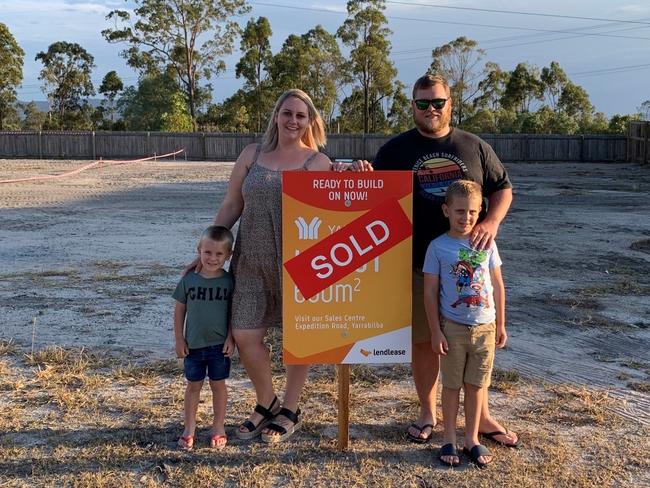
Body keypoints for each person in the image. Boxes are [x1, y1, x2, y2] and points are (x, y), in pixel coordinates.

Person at [340, 73, 517, 447]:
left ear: (450, 103)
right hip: (417, 262)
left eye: (437, 102)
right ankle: (427, 411)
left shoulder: (475, 146)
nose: (431, 109)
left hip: (470, 266)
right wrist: (359, 174)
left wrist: (492, 221)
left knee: (476, 341)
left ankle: (481, 417)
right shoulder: (394, 150)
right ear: (413, 106)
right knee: (426, 341)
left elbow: (502, 188)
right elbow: (371, 193)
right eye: (423, 103)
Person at [192, 89, 331, 443]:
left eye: (301, 115)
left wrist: (359, 173)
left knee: (299, 339)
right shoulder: (251, 155)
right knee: (244, 334)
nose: (293, 121)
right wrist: (207, 249)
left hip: (300, 265)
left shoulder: (317, 162)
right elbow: (231, 205)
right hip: (250, 260)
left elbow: (336, 209)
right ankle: (266, 401)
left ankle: (290, 408)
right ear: (276, 116)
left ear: (309, 121)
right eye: (287, 113)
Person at [423, 180, 507, 468]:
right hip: (453, 329)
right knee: (452, 386)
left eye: (473, 212)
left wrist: (501, 324)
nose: (466, 218)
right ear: (446, 210)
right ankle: (448, 438)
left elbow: (497, 284)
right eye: (460, 211)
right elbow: (430, 292)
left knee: (476, 385)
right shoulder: (437, 247)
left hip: (485, 327)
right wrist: (435, 330)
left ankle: (471, 439)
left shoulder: (487, 243)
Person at [173, 225, 235, 451]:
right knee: (193, 386)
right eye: (207, 252)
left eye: (219, 254)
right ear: (198, 250)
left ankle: (218, 427)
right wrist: (179, 340)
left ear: (228, 255)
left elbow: (232, 313)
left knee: (218, 385)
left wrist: (231, 338)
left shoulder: (229, 282)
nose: (212, 258)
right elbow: (179, 310)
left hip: (219, 346)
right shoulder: (189, 281)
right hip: (194, 346)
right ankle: (189, 428)